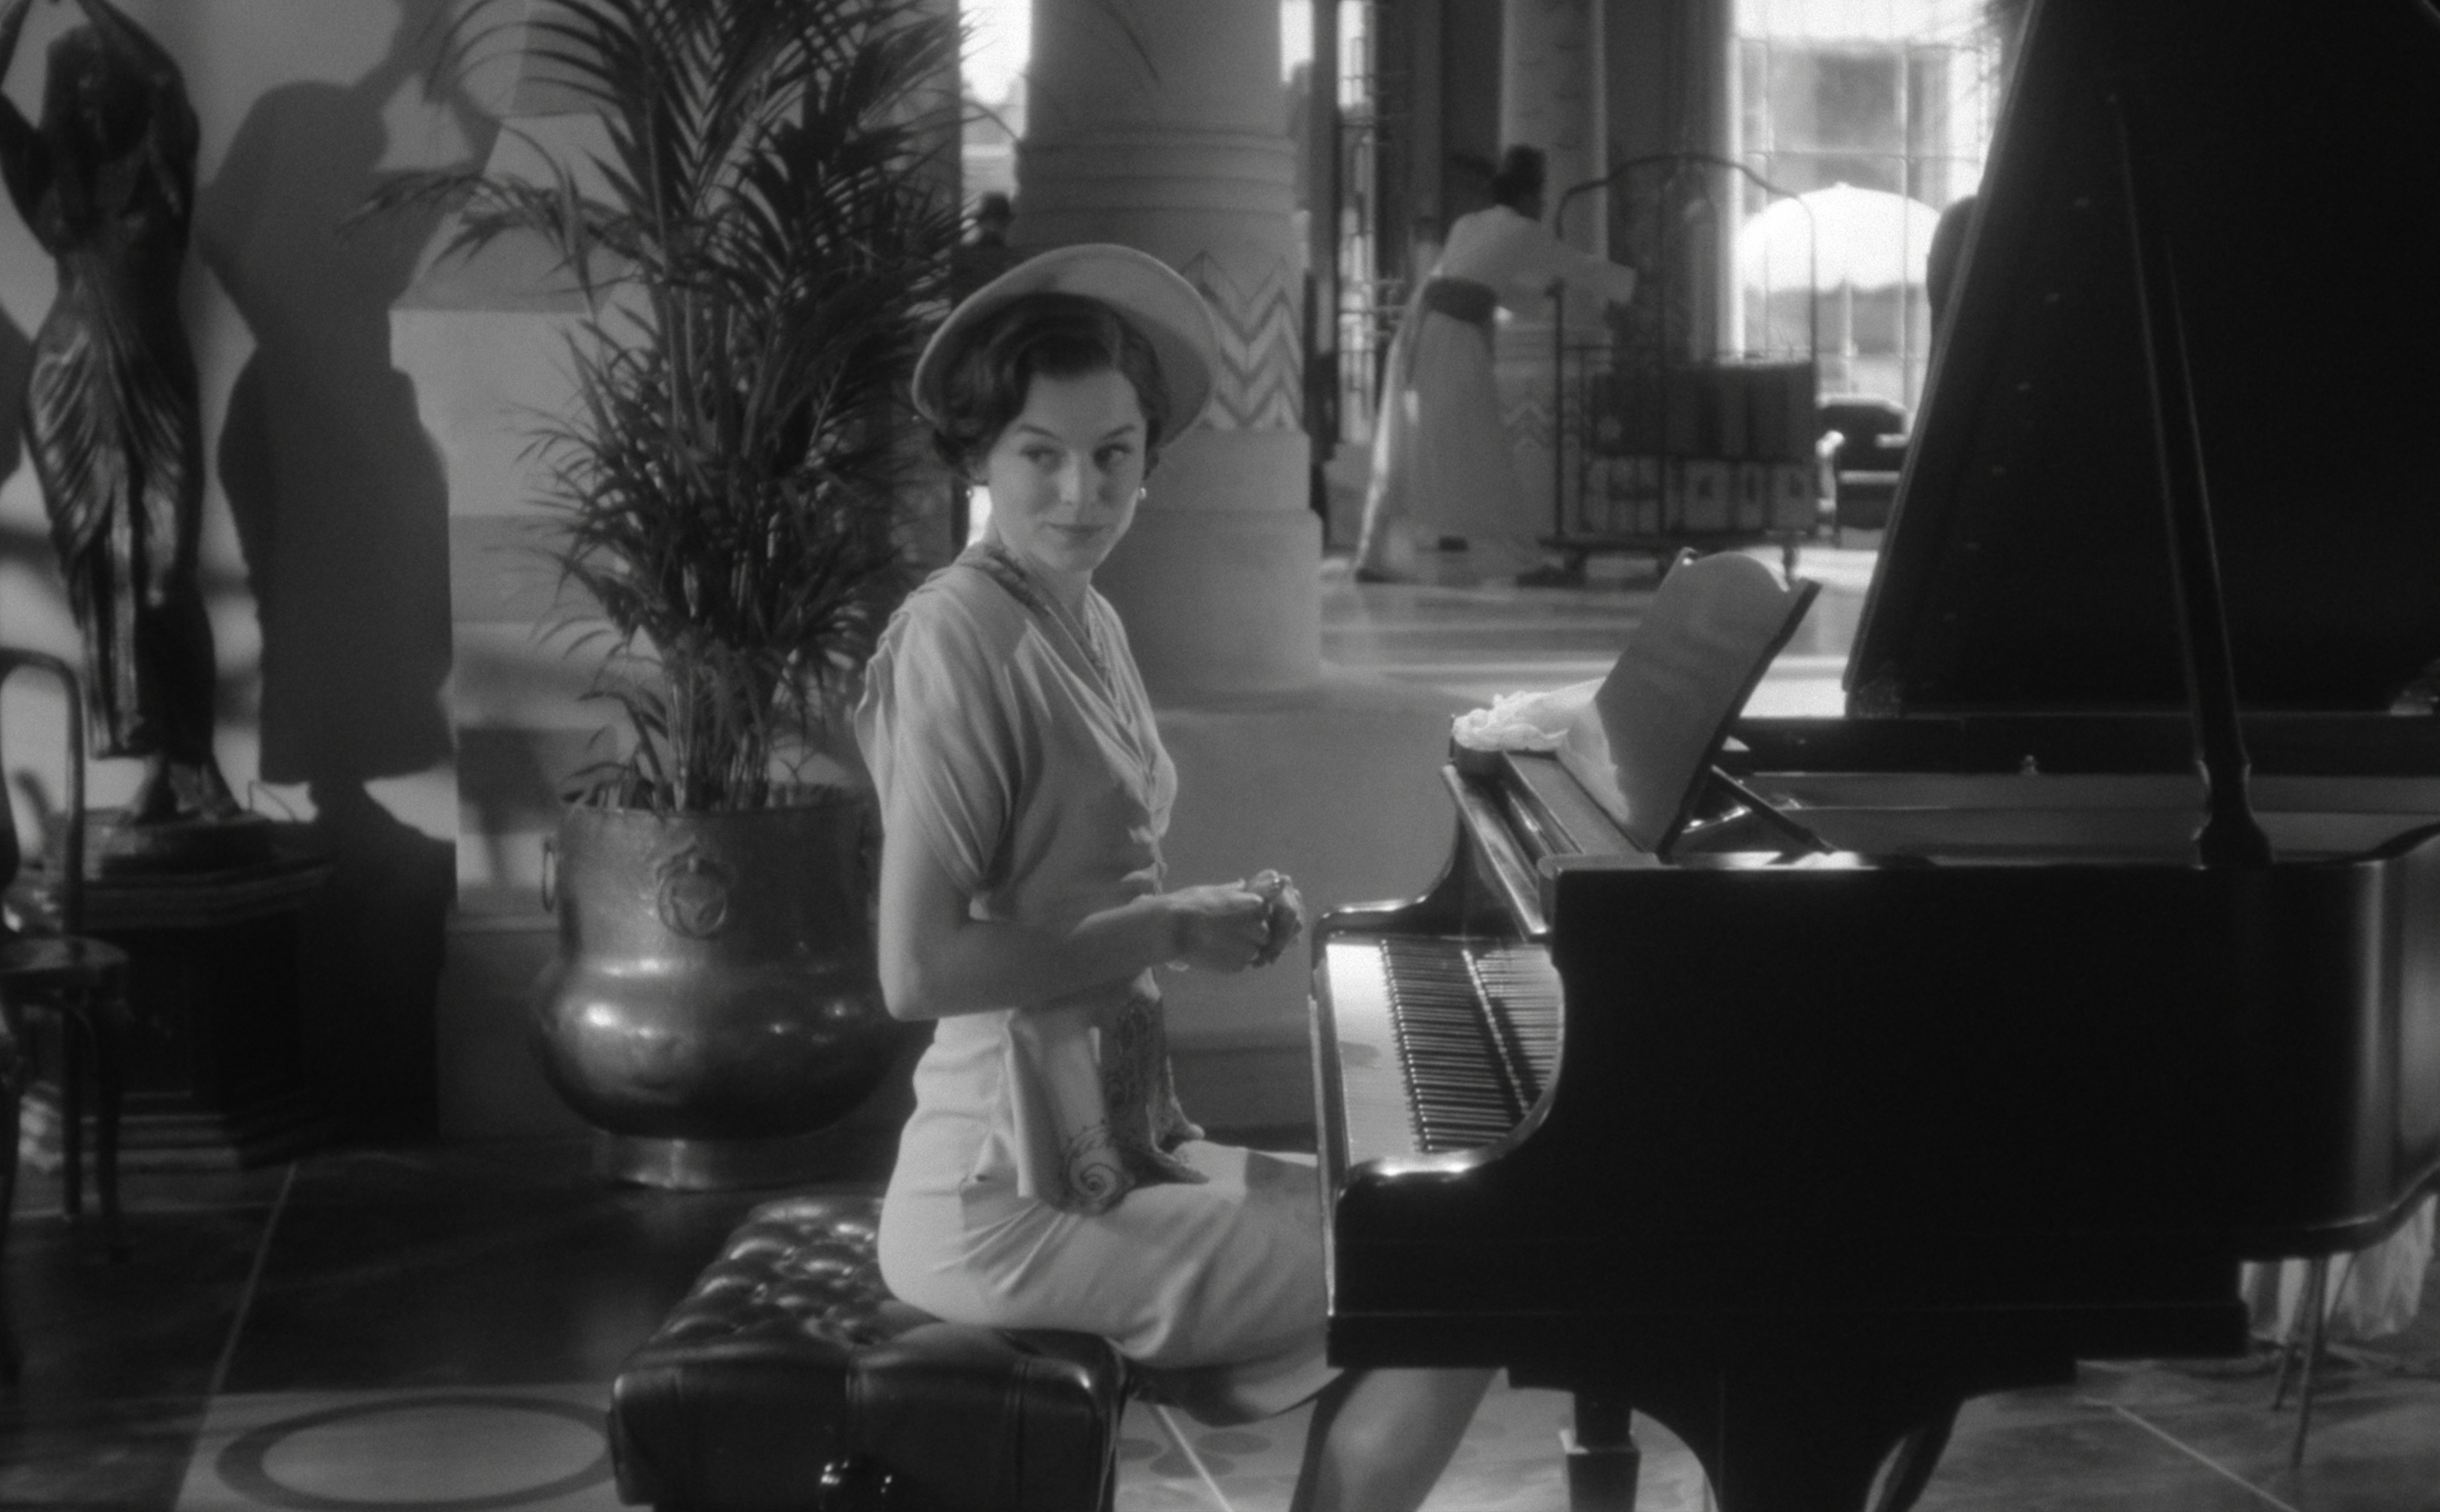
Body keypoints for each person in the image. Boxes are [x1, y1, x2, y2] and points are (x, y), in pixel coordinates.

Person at [859, 243, 1493, 1512]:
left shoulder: (1079, 613)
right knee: (1460, 1272)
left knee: (1435, 1236)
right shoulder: (956, 634)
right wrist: (1165, 926)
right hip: (1005, 1197)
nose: (1083, 490)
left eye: (1117, 452)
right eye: (1041, 452)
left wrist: (1183, 927)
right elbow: (916, 969)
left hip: (1110, 1150)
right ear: (980, 456)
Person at [0, 0, 241, 828]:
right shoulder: (53, 193)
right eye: (82, 82)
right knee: (103, 584)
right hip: (67, 386)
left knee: (166, 574)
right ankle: (162, 770)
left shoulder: (161, 176)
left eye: (110, 78)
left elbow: (169, 78)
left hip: (153, 383)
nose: (99, 93)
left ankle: (197, 756)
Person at [1354, 144, 1641, 587]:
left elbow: (1481, 285)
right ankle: (1519, 563)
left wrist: (1536, 299)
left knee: (1402, 448)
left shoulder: (1468, 224)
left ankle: (1374, 557)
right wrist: (1636, 284)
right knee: (1483, 450)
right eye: (1541, 194)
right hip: (1451, 342)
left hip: (1417, 334)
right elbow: (1579, 266)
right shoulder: (1526, 231)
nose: (1543, 204)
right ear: (1529, 196)